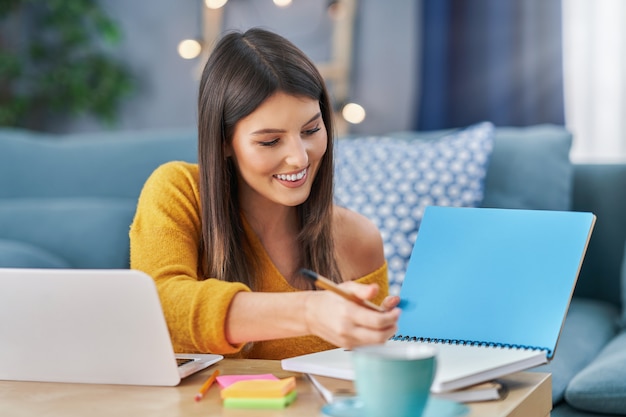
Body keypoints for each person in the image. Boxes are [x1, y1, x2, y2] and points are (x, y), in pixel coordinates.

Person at [130, 27, 401, 360]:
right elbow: (159, 307)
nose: (300, 157)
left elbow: (367, 377)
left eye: (312, 130)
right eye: (270, 141)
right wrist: (309, 312)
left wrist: (377, 333)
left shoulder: (357, 238)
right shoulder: (179, 190)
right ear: (223, 141)